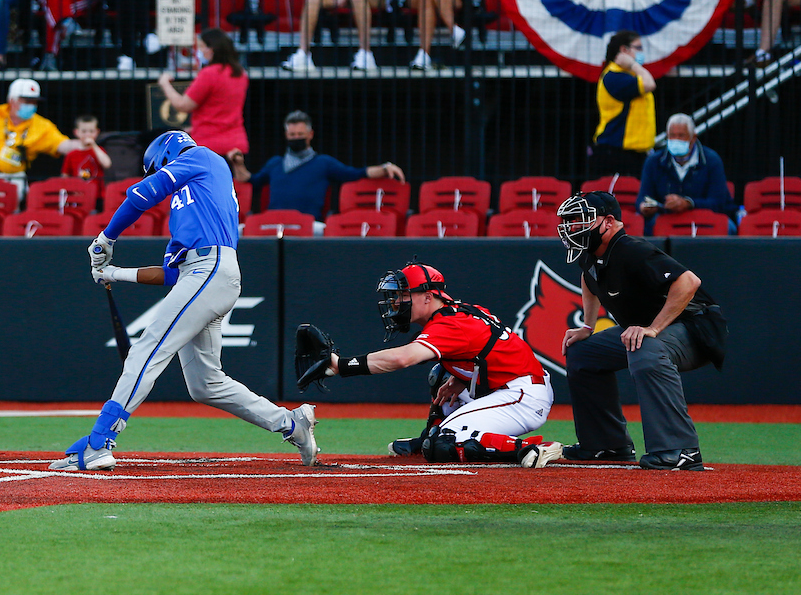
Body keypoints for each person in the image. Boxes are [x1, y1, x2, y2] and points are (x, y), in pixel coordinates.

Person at [49, 131, 319, 471]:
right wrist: (114, 273)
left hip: (212, 268)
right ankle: (291, 424)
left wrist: (106, 238)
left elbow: (141, 194)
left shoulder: (202, 156)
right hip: (205, 275)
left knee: (147, 348)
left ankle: (100, 440)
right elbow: (172, 274)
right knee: (206, 384)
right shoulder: (192, 202)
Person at [299, 263, 563, 468]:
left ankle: (527, 448)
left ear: (427, 296)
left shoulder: (450, 323)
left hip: (521, 395)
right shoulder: (461, 311)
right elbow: (489, 351)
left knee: (444, 444)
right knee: (441, 375)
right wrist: (461, 378)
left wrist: (341, 365)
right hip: (510, 385)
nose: (396, 303)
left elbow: (403, 358)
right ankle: (429, 435)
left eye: (403, 295)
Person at [556, 191, 728, 471]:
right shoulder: (591, 253)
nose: (573, 226)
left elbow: (688, 282)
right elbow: (589, 279)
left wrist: (653, 328)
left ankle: (679, 449)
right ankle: (606, 444)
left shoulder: (630, 248)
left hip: (697, 329)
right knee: (583, 353)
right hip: (660, 330)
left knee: (645, 346)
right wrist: (588, 326)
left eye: (581, 219)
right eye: (570, 220)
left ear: (608, 222)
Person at [227, 110, 404, 223]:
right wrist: (238, 163)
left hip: (311, 227)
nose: (296, 137)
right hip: (274, 225)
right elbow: (250, 180)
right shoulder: (275, 163)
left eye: (300, 134)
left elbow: (355, 174)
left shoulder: (323, 163)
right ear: (286, 135)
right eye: (292, 134)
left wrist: (384, 167)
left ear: (310, 134)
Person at [0, 79, 85, 194]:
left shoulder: (42, 125)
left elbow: (63, 145)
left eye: (34, 102)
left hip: (12, 178)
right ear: (12, 101)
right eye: (26, 101)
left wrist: (84, 143)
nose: (31, 105)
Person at [155, 28, 249, 156]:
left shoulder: (209, 74)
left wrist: (165, 84)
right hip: (236, 143)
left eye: (201, 47)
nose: (199, 52)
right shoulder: (240, 74)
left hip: (208, 145)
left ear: (212, 49)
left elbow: (183, 105)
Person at [637, 114, 736, 235]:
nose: (676, 140)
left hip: (703, 218)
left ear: (693, 138)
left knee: (729, 227)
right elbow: (642, 197)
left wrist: (688, 203)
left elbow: (718, 202)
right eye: (672, 136)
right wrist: (645, 207)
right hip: (666, 218)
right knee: (642, 226)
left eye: (681, 136)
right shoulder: (653, 161)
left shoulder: (711, 160)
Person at [589, 30, 657, 180]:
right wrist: (633, 64)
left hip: (634, 153)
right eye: (638, 48)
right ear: (624, 50)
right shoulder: (615, 76)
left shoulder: (628, 76)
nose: (642, 52)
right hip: (616, 152)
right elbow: (650, 83)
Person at [60, 114, 112, 190]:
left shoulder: (99, 150)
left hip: (97, 194)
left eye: (91, 131)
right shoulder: (71, 154)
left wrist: (93, 145)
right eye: (84, 131)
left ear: (97, 132)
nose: (88, 134)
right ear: (76, 132)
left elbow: (107, 164)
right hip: (79, 194)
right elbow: (65, 176)